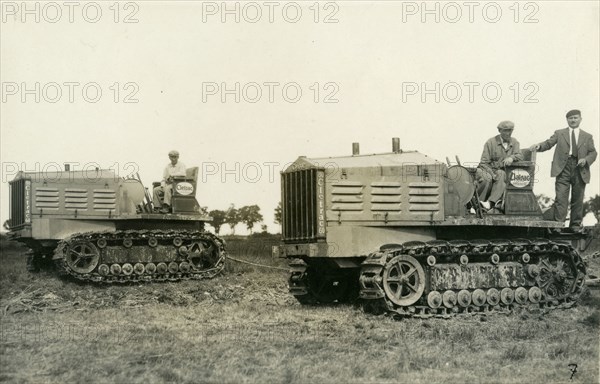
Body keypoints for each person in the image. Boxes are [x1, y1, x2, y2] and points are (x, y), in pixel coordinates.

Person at [529, 110, 597, 230]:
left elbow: (593, 152)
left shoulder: (587, 136)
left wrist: (585, 160)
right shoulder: (560, 133)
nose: (573, 120)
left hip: (580, 169)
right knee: (561, 198)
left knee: (578, 198)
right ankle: (558, 225)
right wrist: (538, 146)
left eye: (575, 118)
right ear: (567, 120)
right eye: (570, 118)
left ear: (580, 119)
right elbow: (548, 143)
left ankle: (575, 225)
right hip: (563, 168)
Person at [476, 120, 523, 213]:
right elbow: (483, 163)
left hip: (505, 173)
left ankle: (490, 203)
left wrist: (512, 158)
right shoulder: (490, 142)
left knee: (501, 173)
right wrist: (492, 174)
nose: (508, 133)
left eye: (510, 130)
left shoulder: (515, 142)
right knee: (486, 178)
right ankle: (478, 205)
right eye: (505, 130)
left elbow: (520, 155)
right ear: (499, 131)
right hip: (489, 170)